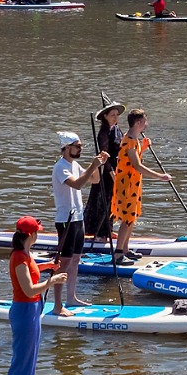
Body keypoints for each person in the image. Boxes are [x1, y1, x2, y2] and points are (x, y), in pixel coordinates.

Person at [2, 215, 63, 375]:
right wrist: (52, 281)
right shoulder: (19, 257)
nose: (39, 234)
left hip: (34, 309)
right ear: (31, 235)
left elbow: (32, 269)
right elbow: (28, 290)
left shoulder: (27, 254)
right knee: (21, 363)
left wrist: (47, 266)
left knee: (31, 359)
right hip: (24, 310)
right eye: (37, 231)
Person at [51, 131, 108, 316]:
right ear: (67, 148)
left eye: (81, 146)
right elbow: (76, 184)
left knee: (76, 259)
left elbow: (94, 180)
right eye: (77, 146)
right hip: (65, 220)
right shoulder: (61, 167)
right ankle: (57, 305)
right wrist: (93, 165)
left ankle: (71, 298)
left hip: (78, 219)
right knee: (64, 263)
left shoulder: (74, 165)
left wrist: (99, 165)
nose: (80, 149)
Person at [111, 109, 172, 265]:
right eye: (144, 122)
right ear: (138, 123)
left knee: (132, 217)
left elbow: (131, 159)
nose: (146, 124)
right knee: (126, 218)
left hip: (134, 184)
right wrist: (160, 176)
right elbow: (137, 166)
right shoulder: (129, 141)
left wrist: (143, 147)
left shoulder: (134, 140)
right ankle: (118, 253)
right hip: (126, 185)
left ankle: (125, 249)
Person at [84, 100, 126, 244]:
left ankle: (108, 229)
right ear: (105, 116)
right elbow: (104, 157)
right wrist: (112, 174)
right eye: (112, 115)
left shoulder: (117, 130)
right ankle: (99, 232)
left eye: (117, 115)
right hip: (106, 172)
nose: (115, 117)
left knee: (113, 202)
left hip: (118, 169)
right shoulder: (104, 133)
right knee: (103, 202)